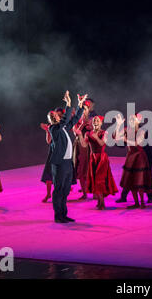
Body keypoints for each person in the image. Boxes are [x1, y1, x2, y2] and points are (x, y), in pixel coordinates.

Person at [48, 91, 87, 223]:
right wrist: (68, 104)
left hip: (67, 164)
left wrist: (80, 106)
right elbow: (65, 120)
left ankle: (63, 214)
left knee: (65, 191)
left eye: (55, 116)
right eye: (51, 117)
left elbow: (74, 119)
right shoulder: (54, 129)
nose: (54, 118)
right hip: (59, 164)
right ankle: (58, 215)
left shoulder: (63, 128)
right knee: (59, 190)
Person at [114, 113, 152, 208]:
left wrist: (125, 139)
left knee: (140, 179)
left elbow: (137, 143)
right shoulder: (127, 130)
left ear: (138, 120)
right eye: (130, 119)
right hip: (131, 156)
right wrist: (118, 125)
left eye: (133, 119)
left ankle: (144, 202)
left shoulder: (142, 130)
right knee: (131, 179)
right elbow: (117, 139)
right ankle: (136, 202)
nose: (131, 120)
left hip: (140, 156)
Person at [83, 115, 118, 210]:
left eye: (97, 121)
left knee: (100, 179)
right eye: (94, 120)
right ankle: (99, 201)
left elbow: (102, 143)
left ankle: (102, 203)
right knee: (95, 179)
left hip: (102, 158)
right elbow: (84, 145)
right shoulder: (88, 133)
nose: (95, 122)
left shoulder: (104, 133)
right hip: (93, 158)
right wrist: (79, 134)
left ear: (101, 123)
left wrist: (95, 137)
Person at [72, 100, 92, 200]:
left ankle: (94, 192)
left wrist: (90, 125)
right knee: (81, 169)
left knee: (91, 169)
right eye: (82, 109)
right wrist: (82, 124)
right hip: (80, 145)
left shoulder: (92, 120)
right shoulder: (76, 120)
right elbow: (75, 133)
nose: (84, 111)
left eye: (85, 109)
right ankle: (84, 193)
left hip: (90, 146)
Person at [39, 121, 53, 203]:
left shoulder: (62, 125)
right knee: (48, 174)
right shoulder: (51, 127)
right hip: (52, 152)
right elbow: (48, 141)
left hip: (61, 152)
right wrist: (47, 130)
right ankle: (48, 194)